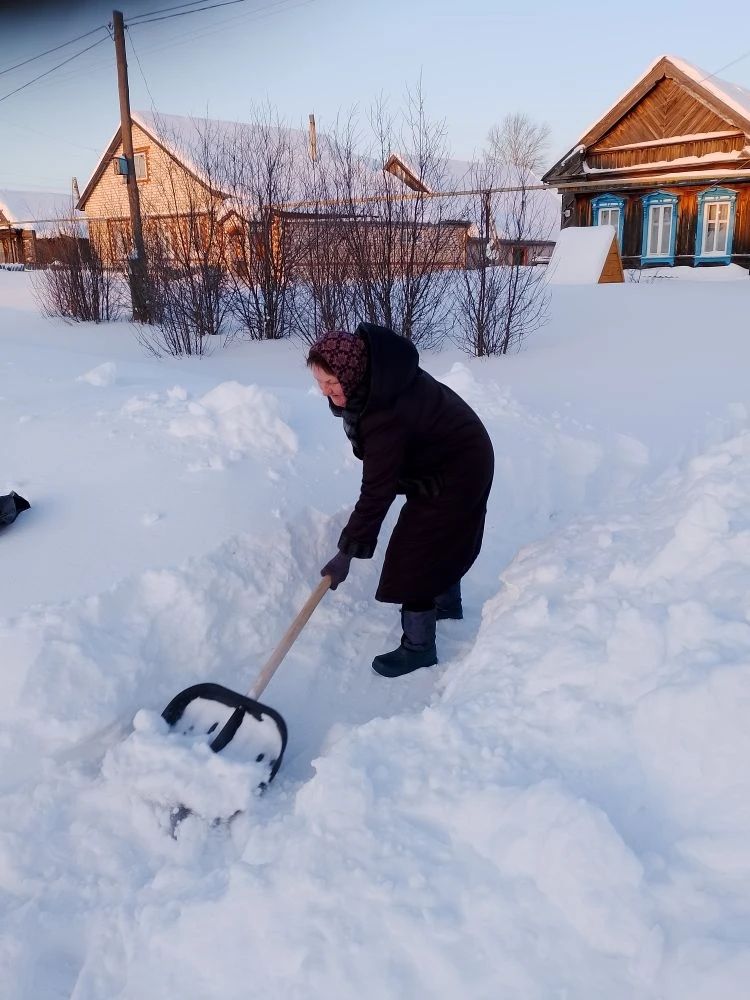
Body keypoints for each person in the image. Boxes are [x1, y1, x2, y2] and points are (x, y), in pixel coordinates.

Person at [307, 322, 494, 678]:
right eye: (320, 383)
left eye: (332, 383)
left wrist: (345, 553)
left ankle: (419, 647)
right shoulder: (378, 379)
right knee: (435, 535)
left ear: (350, 373)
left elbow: (377, 489)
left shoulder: (384, 411)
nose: (326, 392)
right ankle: (446, 604)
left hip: (459, 467)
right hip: (454, 456)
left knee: (414, 550)